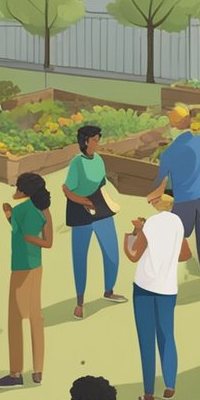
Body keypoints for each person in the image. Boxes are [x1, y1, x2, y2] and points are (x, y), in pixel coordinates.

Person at [148, 106, 200, 295]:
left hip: (183, 200)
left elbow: (161, 180)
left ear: (173, 125)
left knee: (173, 239)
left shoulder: (168, 153)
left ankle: (160, 278)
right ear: (189, 122)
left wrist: (154, 196)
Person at [123, 194, 191, 400]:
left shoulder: (150, 224)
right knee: (167, 335)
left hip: (145, 286)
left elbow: (133, 254)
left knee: (146, 340)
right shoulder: (177, 222)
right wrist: (165, 256)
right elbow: (185, 254)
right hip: (168, 287)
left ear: (155, 205)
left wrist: (132, 233)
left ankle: (149, 392)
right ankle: (170, 385)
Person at [0, 173, 54, 389]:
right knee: (36, 317)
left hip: (20, 267)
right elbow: (49, 243)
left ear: (25, 192)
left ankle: (15, 372)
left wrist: (8, 214)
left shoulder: (20, 210)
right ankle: (38, 370)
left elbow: (16, 228)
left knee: (15, 319)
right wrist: (34, 239)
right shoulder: (44, 210)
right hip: (36, 266)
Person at [63, 125, 127, 320]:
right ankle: (80, 302)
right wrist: (84, 202)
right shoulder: (77, 163)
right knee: (80, 257)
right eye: (95, 139)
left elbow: (101, 185)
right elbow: (66, 189)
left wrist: (104, 202)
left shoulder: (99, 160)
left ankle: (109, 290)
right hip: (79, 209)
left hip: (99, 206)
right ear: (85, 141)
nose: (98, 143)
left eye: (99, 139)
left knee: (112, 253)